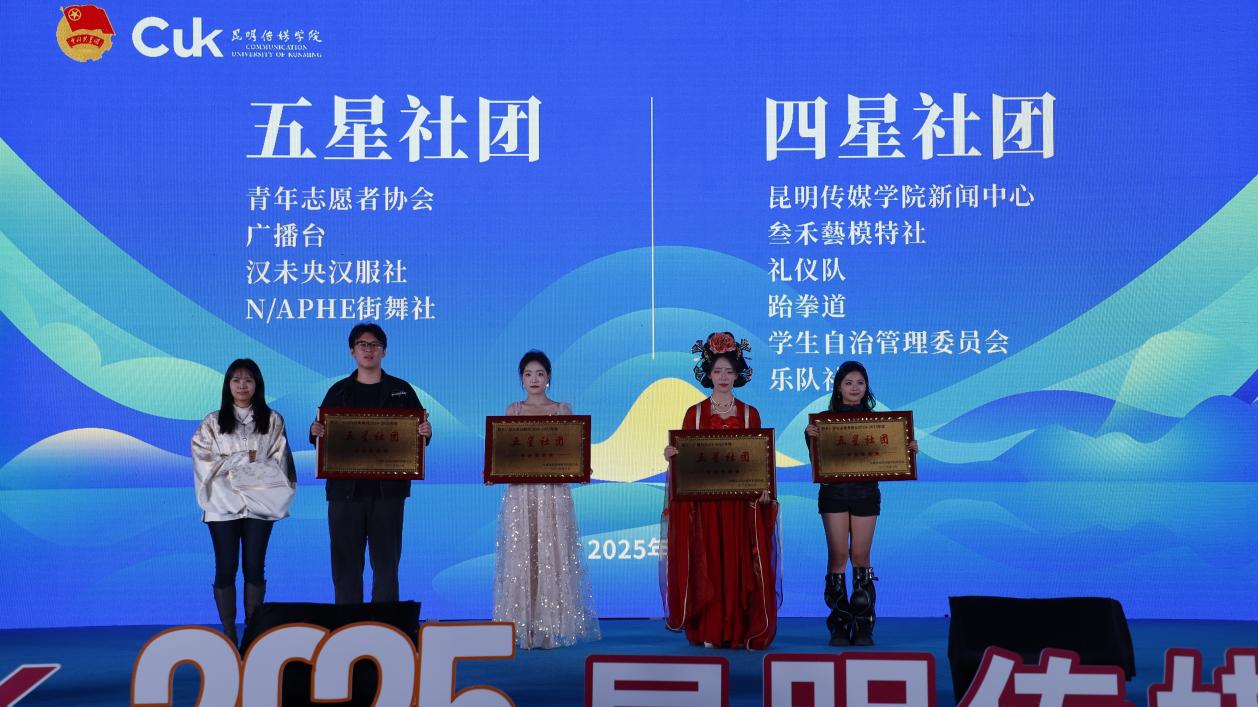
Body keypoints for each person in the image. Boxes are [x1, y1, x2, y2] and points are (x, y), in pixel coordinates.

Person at [661, 332, 779, 649]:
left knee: (739, 565)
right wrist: (673, 457)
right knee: (709, 564)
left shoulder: (750, 414)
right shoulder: (695, 413)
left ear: (739, 374)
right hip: (707, 505)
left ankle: (738, 630)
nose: (724, 377)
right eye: (717, 371)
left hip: (740, 506)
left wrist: (764, 489)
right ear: (708, 374)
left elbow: (760, 459)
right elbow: (687, 460)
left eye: (729, 371)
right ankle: (710, 629)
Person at [309, 323, 432, 604]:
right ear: (352, 351)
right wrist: (315, 431)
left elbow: (418, 435)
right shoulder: (338, 392)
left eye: (375, 345)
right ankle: (348, 625)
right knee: (345, 567)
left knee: (386, 566)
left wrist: (426, 432)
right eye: (362, 344)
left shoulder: (402, 391)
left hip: (388, 493)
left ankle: (385, 626)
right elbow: (321, 436)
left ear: (384, 351)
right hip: (344, 493)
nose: (368, 350)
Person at [491, 350, 600, 649]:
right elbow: (503, 453)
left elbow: (573, 451)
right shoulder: (513, 411)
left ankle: (549, 627)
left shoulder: (562, 410)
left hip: (553, 492)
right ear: (521, 379)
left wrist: (581, 466)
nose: (534, 379)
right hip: (521, 493)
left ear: (549, 377)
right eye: (528, 374)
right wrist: (494, 468)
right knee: (523, 556)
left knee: (551, 556)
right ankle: (523, 626)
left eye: (540, 373)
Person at [805, 360, 918, 646]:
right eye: (848, 383)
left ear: (866, 387)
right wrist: (810, 438)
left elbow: (891, 457)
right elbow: (819, 462)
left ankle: (864, 624)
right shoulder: (822, 422)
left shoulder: (881, 423)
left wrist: (908, 449)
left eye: (860, 383)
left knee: (861, 557)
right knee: (837, 556)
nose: (855, 388)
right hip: (833, 494)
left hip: (866, 494)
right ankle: (840, 624)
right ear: (838, 387)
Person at [191, 359, 296, 643]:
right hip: (222, 504)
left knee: (255, 566)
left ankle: (252, 631)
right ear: (228, 385)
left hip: (261, 504)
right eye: (236, 380)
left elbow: (281, 463)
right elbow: (204, 462)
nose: (242, 385)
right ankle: (228, 632)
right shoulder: (212, 422)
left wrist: (231, 464)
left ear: (257, 384)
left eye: (248, 380)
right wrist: (244, 459)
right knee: (225, 567)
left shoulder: (272, 420)